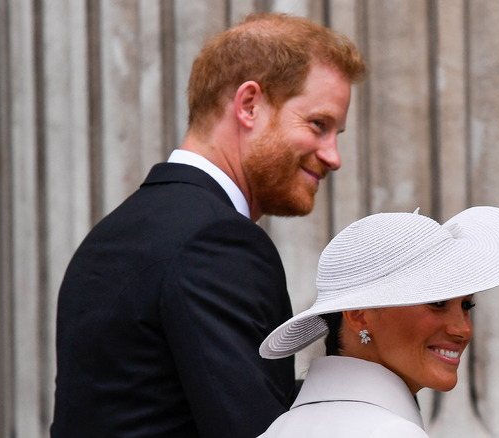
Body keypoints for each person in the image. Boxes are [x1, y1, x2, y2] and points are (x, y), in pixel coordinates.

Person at [50, 12, 365, 438]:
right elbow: (255, 429)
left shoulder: (113, 233)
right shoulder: (216, 240)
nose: (333, 156)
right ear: (249, 105)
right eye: (318, 125)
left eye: (337, 134)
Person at [258, 206, 499, 437]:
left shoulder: (277, 430)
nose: (462, 329)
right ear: (359, 315)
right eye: (437, 302)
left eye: (466, 305)